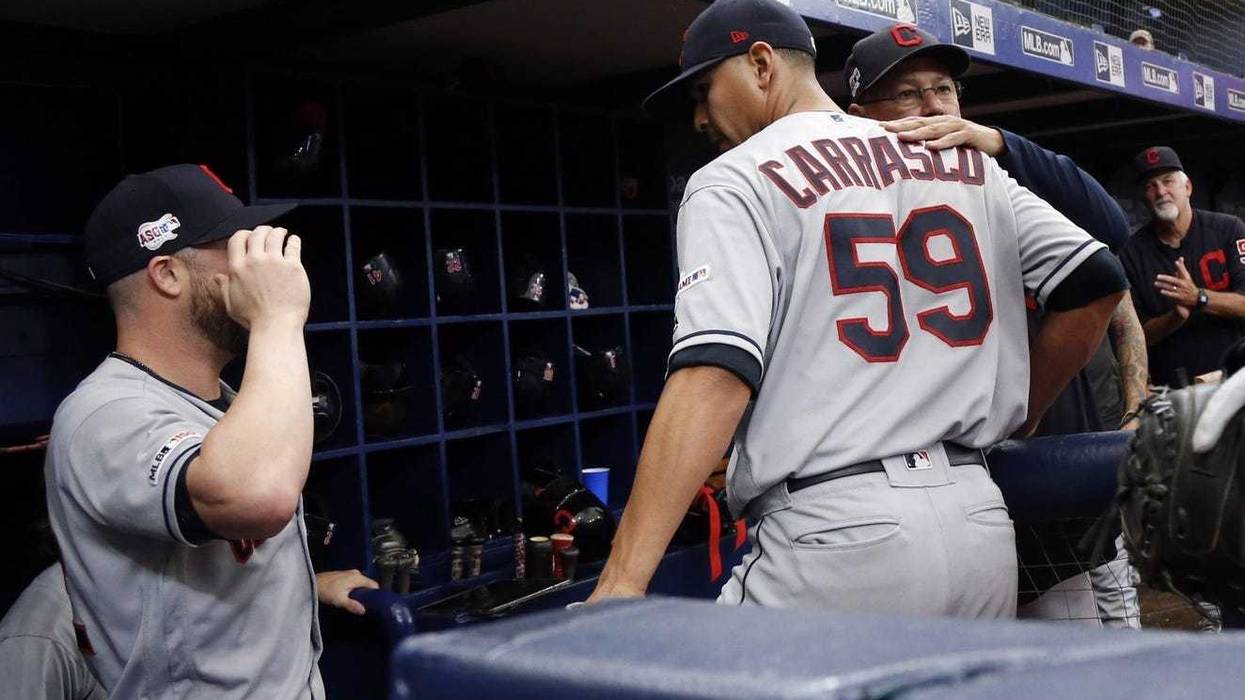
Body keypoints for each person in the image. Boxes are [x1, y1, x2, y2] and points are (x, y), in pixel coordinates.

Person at [587, 0, 1125, 616]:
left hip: (834, 530)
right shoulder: (956, 158)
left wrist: (622, 582)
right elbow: (1097, 281)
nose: (701, 116)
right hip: (979, 522)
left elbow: (714, 374)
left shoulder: (731, 179)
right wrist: (1023, 413)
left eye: (706, 89)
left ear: (761, 65)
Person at [844, 23, 1146, 629]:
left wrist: (998, 142)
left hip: (1045, 465)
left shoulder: (1000, 179)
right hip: (939, 481)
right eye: (908, 94)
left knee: (1095, 648)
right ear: (860, 114)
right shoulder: (847, 202)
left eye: (946, 90)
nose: (934, 107)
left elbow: (1109, 234)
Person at [44, 164, 329, 697]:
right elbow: (257, 497)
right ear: (168, 274)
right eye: (237, 247)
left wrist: (314, 586)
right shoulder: (101, 414)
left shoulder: (225, 404)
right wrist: (277, 319)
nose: (257, 263)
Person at [1120, 146, 1245, 387]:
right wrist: (1174, 317)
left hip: (1235, 383)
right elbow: (1132, 338)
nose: (1161, 192)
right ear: (1143, 197)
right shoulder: (1131, 254)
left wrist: (1199, 298)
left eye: (1168, 181)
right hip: (1173, 393)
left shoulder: (1229, 230)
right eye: (1150, 186)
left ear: (1187, 187)